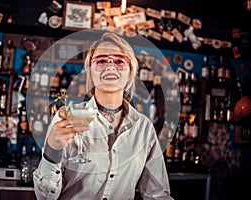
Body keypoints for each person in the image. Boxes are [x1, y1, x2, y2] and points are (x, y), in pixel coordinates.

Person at [33, 31, 173, 199]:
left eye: (120, 61)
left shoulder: (144, 127)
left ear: (130, 71)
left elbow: (157, 194)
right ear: (90, 71)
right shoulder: (68, 120)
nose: (110, 67)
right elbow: (45, 196)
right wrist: (52, 150)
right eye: (101, 61)